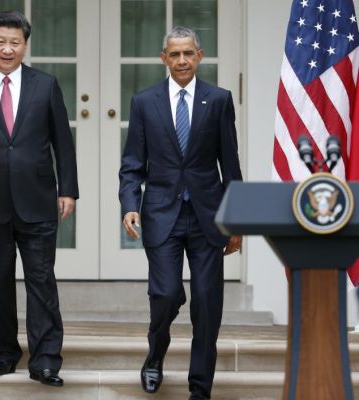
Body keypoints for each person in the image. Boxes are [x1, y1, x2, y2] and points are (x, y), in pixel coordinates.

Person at [0, 11, 78, 387]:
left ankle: (46, 360)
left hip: (37, 198)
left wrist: (67, 188)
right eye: (1, 41)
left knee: (41, 280)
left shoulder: (46, 84)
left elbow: (62, 142)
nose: (8, 48)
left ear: (25, 45)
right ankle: (4, 353)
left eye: (15, 42)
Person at [119, 26, 243, 400]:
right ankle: (155, 355)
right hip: (161, 214)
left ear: (200, 55)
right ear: (164, 58)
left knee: (207, 304)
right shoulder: (144, 102)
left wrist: (236, 222)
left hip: (208, 217)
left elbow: (230, 165)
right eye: (174, 54)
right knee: (166, 293)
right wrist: (128, 206)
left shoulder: (219, 100)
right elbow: (131, 165)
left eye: (188, 53)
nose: (182, 60)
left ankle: (200, 388)